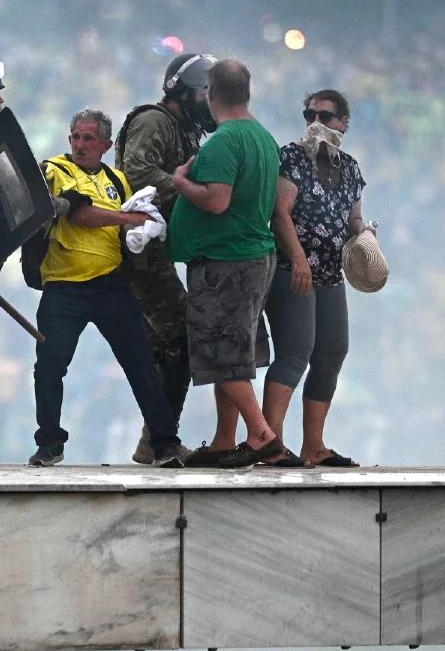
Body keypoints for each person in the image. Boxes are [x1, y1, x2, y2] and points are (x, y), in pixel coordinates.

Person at [27, 108, 187, 468]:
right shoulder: (56, 170)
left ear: (105, 144)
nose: (80, 145)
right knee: (50, 366)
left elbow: (140, 215)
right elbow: (79, 214)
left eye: (88, 139)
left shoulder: (118, 180)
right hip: (64, 286)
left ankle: (165, 443)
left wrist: (143, 228)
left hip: (111, 284)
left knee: (141, 364)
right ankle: (49, 443)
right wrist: (128, 219)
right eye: (75, 137)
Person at [168, 58, 283, 468]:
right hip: (254, 255)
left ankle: (260, 435)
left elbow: (217, 200)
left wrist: (181, 183)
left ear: (209, 95)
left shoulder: (223, 141)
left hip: (226, 260)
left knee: (220, 351)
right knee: (235, 351)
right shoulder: (264, 138)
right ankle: (223, 440)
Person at [115, 52, 215, 464]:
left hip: (158, 251)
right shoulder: (154, 122)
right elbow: (137, 174)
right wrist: (187, 186)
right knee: (180, 337)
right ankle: (159, 441)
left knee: (169, 347)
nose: (211, 101)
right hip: (141, 251)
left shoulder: (184, 129)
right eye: (206, 92)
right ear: (186, 91)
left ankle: (155, 439)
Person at [261, 90, 368, 467]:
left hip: (329, 272)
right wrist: (298, 258)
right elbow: (281, 212)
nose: (316, 122)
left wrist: (365, 235)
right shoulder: (293, 157)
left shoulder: (351, 168)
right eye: (310, 115)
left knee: (331, 352)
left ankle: (314, 446)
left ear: (343, 123)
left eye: (325, 115)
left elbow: (353, 217)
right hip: (295, 270)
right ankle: (270, 442)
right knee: (295, 352)